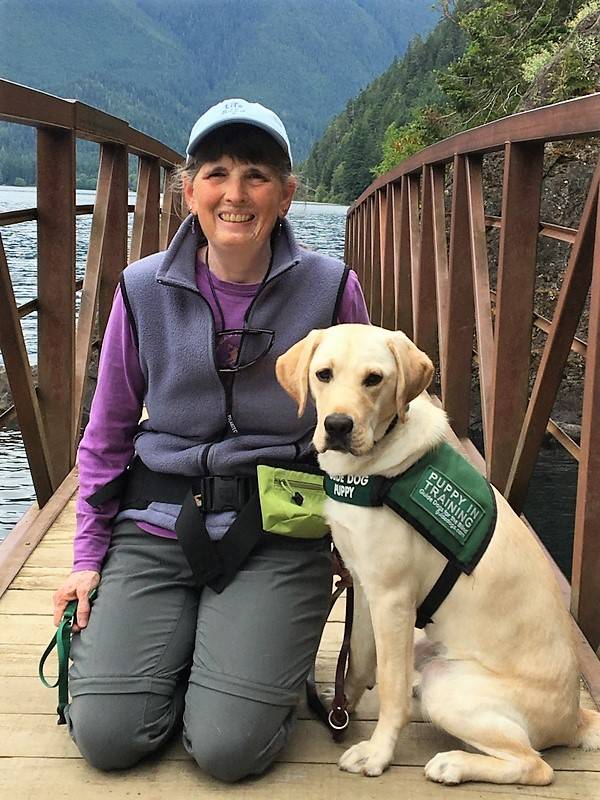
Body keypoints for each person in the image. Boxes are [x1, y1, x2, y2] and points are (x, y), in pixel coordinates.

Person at [52, 98, 370, 782]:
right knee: (107, 736)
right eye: (217, 173)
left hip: (279, 526)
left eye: (257, 175)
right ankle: (203, 656)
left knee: (229, 749)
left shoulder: (332, 289)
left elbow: (365, 427)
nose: (235, 194)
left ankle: (242, 661)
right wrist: (86, 557)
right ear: (188, 190)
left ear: (286, 195)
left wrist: (360, 542)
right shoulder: (141, 288)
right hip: (158, 521)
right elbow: (107, 434)